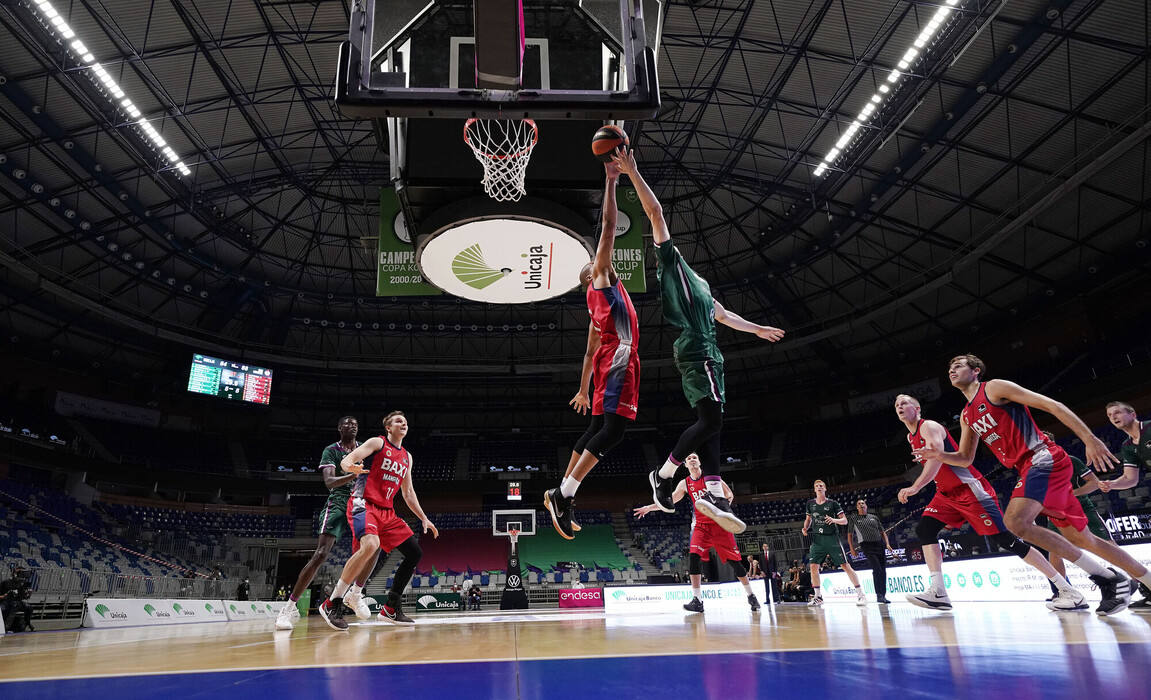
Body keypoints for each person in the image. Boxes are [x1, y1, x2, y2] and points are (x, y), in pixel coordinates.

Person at [611, 150, 785, 535]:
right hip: (696, 350)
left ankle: (709, 491)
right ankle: (665, 472)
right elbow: (655, 213)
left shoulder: (703, 288)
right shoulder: (670, 263)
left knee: (715, 424)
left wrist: (757, 329)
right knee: (712, 419)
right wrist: (634, 172)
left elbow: (724, 315)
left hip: (711, 355)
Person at [913, 354, 1151, 616]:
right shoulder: (967, 415)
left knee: (1015, 522)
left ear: (976, 370)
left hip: (1042, 457)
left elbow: (1052, 405)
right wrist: (938, 455)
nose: (952, 370)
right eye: (949, 367)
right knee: (1082, 538)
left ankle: (1107, 579)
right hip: (1028, 467)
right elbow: (966, 457)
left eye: (958, 365)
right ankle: (1136, 580)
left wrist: (1089, 438)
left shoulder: (994, 388)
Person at [895, 394, 1083, 611]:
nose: (899, 406)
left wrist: (915, 486)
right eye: (897, 404)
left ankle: (1064, 587)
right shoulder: (911, 437)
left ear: (917, 408)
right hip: (946, 494)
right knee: (925, 529)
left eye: (904, 403)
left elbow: (936, 459)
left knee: (1006, 540)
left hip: (970, 489)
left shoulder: (928, 426)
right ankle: (938, 591)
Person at [545, 160, 641, 540]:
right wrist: (611, 181)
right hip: (620, 357)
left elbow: (588, 355)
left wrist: (584, 389)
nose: (602, 260)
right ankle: (563, 492)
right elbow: (608, 228)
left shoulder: (594, 309)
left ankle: (565, 493)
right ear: (592, 273)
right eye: (596, 263)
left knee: (598, 426)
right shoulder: (601, 279)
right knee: (614, 430)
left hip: (608, 360)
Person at [318, 411, 439, 631]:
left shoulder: (407, 457)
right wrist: (349, 468)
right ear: (388, 427)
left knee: (415, 553)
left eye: (405, 421)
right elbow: (347, 460)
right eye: (398, 421)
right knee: (372, 546)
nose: (403, 423)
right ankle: (332, 602)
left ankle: (391, 608)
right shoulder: (377, 443)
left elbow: (408, 492)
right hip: (363, 502)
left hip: (386, 511)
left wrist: (424, 518)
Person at [275, 416, 380, 631]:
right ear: (339, 428)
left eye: (355, 424)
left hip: (360, 503)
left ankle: (355, 594)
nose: (351, 426)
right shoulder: (331, 450)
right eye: (347, 424)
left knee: (374, 545)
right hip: (339, 502)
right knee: (321, 553)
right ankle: (289, 607)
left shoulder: (364, 449)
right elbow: (330, 482)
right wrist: (352, 474)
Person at [633, 453, 760, 613]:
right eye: (688, 459)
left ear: (699, 462)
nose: (692, 459)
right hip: (701, 526)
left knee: (735, 562)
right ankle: (697, 600)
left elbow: (729, 495)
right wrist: (649, 508)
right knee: (693, 557)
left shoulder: (711, 478)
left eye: (694, 457)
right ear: (685, 465)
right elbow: (671, 500)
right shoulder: (685, 483)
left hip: (719, 524)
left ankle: (751, 595)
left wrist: (723, 509)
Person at [1099, 402, 1151, 609]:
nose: (1113, 416)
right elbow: (1130, 479)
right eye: (1110, 414)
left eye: (1118, 412)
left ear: (1133, 413)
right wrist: (1112, 484)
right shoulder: (1127, 446)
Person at [801, 480, 866, 606]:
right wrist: (805, 528)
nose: (819, 487)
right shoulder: (810, 504)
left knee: (845, 566)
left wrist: (833, 520)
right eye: (816, 486)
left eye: (821, 486)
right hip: (817, 540)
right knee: (813, 567)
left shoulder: (833, 504)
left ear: (825, 489)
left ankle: (861, 594)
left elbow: (845, 521)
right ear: (814, 490)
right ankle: (818, 597)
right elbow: (808, 519)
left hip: (832, 539)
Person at [846, 499, 893, 604]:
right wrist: (852, 548)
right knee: (877, 568)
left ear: (866, 506)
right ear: (857, 507)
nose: (861, 505)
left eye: (863, 503)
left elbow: (882, 532)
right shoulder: (853, 518)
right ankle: (879, 595)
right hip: (866, 545)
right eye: (859, 504)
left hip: (879, 545)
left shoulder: (874, 517)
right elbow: (849, 535)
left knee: (883, 570)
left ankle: (883, 595)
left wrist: (887, 544)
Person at [1, 566, 33, 633]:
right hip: (5, 601)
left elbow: (23, 597)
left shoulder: (22, 585)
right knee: (14, 605)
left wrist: (27, 594)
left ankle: (27, 623)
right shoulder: (6, 583)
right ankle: (6, 627)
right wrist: (4, 596)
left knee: (29, 607)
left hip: (17, 602)